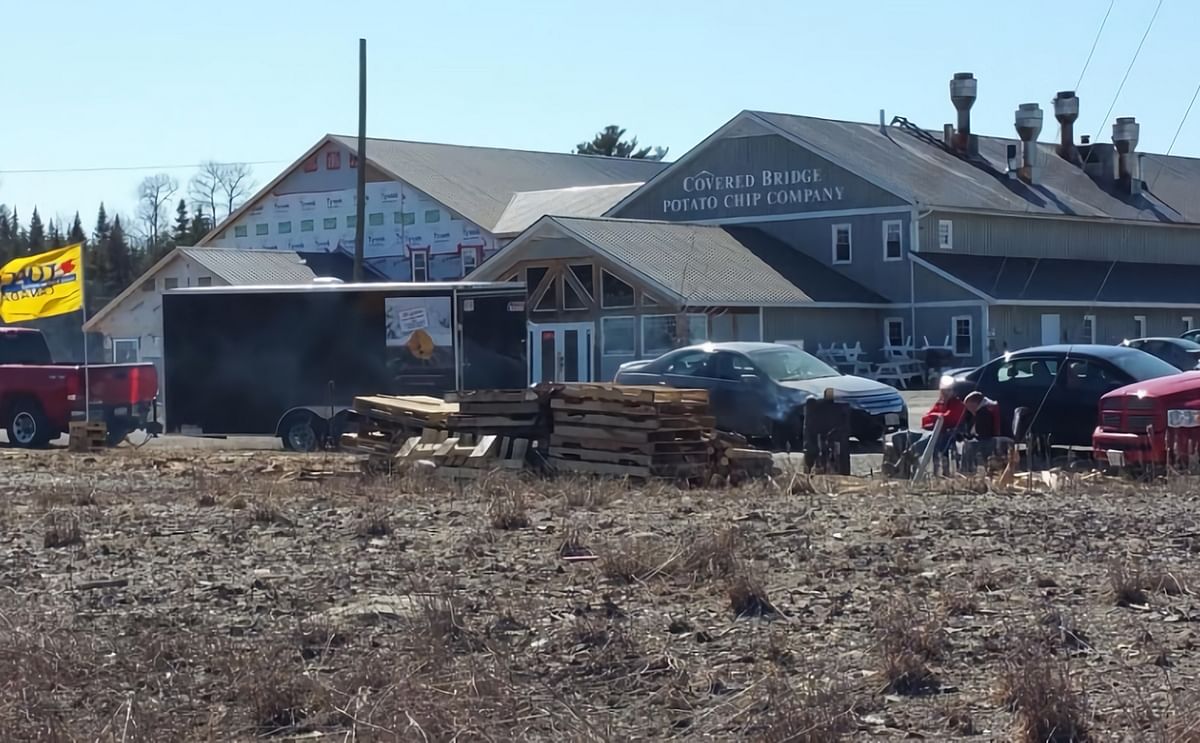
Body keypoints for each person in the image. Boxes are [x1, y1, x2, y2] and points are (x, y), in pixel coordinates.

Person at [960, 391, 1005, 472]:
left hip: (992, 439)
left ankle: (967, 470)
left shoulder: (984, 413)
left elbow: (984, 434)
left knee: (968, 445)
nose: (968, 409)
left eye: (968, 406)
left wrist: (969, 437)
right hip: (990, 438)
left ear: (975, 404)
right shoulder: (983, 409)